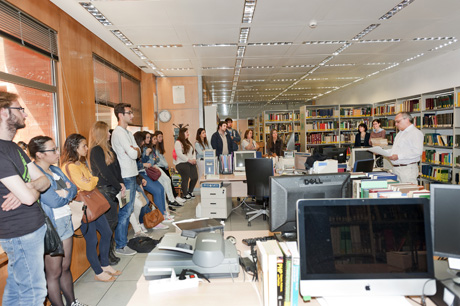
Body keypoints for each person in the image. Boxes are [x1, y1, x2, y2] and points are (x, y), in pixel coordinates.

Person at [0, 92, 51, 305]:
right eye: (19, 109)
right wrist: (29, 191)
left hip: (30, 229)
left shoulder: (13, 147)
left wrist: (28, 186)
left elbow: (44, 180)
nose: (25, 114)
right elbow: (29, 199)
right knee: (34, 293)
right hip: (20, 232)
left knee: (15, 289)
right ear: (3, 112)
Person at [29, 136, 85, 306]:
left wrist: (65, 193)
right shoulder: (37, 175)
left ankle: (72, 302)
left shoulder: (56, 170)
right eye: (52, 150)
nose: (57, 152)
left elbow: (73, 188)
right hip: (51, 226)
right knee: (53, 273)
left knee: (65, 267)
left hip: (66, 221)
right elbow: (53, 201)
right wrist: (64, 194)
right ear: (39, 154)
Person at [61, 133, 121, 282]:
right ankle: (98, 271)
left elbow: (93, 178)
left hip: (94, 204)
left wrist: (90, 180)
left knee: (107, 233)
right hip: (84, 208)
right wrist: (90, 181)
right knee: (92, 240)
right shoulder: (68, 167)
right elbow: (87, 183)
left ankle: (105, 264)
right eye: (84, 146)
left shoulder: (81, 164)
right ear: (75, 148)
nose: (87, 148)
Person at [88, 121, 125, 265]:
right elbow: (105, 172)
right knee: (110, 224)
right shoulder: (96, 150)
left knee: (113, 222)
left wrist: (121, 183)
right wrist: (118, 184)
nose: (110, 134)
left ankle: (109, 252)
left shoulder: (108, 149)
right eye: (108, 132)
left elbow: (117, 169)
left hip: (114, 189)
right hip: (104, 191)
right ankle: (105, 255)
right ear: (101, 133)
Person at [110, 103, 139, 256]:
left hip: (132, 174)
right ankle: (120, 245)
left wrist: (134, 150)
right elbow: (134, 154)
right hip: (126, 177)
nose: (132, 116)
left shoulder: (127, 133)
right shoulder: (119, 133)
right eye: (129, 112)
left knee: (128, 210)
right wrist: (134, 151)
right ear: (120, 115)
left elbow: (137, 152)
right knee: (125, 211)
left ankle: (122, 242)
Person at [142, 131, 184, 206]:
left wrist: (154, 160)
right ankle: (170, 201)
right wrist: (154, 160)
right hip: (153, 169)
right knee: (164, 184)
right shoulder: (148, 149)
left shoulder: (153, 148)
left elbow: (156, 159)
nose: (156, 140)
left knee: (167, 180)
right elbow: (151, 161)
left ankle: (171, 200)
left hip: (155, 167)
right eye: (154, 138)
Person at [388, 112, 423, 184]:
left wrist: (398, 156)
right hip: (396, 169)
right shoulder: (400, 133)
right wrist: (382, 151)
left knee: (408, 193)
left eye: (398, 121)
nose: (396, 124)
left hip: (407, 169)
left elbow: (417, 151)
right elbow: (396, 149)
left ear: (407, 119)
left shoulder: (415, 133)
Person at [154, 130, 184, 201]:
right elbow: (158, 160)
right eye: (159, 137)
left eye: (162, 137)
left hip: (163, 166)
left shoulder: (159, 148)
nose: (161, 138)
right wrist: (165, 165)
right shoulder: (155, 148)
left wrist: (166, 165)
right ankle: (173, 198)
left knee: (170, 180)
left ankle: (175, 197)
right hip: (159, 167)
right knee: (168, 180)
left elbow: (162, 158)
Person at [174, 127, 198, 200]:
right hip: (182, 163)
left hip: (190, 162)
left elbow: (193, 152)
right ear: (182, 133)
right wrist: (189, 160)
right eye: (186, 132)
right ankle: (185, 193)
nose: (188, 133)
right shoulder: (178, 142)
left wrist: (194, 159)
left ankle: (190, 191)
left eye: (188, 132)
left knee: (195, 177)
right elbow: (179, 154)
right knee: (185, 178)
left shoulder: (188, 142)